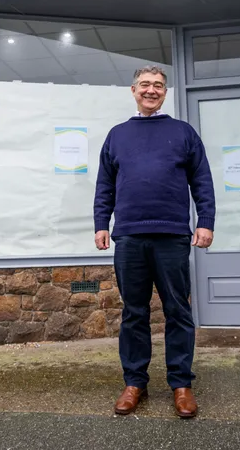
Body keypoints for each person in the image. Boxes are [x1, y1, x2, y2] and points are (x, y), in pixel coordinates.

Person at [93, 65, 215, 419]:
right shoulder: (117, 135)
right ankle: (135, 383)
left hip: (172, 235)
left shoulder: (183, 132)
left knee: (178, 311)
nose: (151, 90)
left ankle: (181, 384)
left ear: (165, 92)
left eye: (158, 85)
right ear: (133, 90)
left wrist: (205, 222)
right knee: (134, 313)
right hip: (129, 236)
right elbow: (105, 185)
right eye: (145, 85)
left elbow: (202, 181)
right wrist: (102, 223)